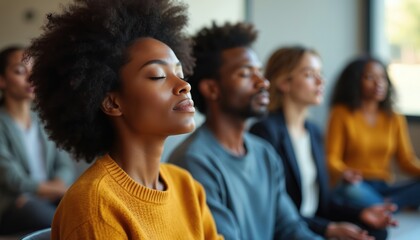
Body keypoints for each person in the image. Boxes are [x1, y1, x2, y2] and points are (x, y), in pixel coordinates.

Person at [26, 0, 222, 239]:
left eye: (180, 73)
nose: (184, 85)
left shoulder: (187, 187)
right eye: (157, 75)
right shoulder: (95, 206)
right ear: (112, 103)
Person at [169, 22, 322, 240]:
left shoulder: (264, 153)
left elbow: (291, 229)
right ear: (212, 89)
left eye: (259, 71)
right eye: (245, 74)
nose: (263, 82)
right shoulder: (194, 162)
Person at [250, 46, 398, 240]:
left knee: (377, 230)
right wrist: (328, 228)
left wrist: (360, 213)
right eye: (310, 74)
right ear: (284, 83)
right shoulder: (266, 131)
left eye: (320, 74)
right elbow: (275, 212)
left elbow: (323, 201)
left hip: (314, 221)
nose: (321, 81)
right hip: (290, 229)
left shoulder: (313, 131)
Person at [326, 55, 420, 210]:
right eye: (370, 77)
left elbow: (406, 160)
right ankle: (389, 206)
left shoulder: (394, 117)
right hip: (356, 184)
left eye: (382, 77)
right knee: (349, 191)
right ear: (355, 82)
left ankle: (384, 206)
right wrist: (344, 173)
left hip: (384, 185)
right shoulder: (341, 113)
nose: (379, 83)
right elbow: (331, 158)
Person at [0, 46, 74, 234]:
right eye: (19, 71)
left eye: (34, 71)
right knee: (65, 223)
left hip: (50, 196)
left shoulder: (43, 119)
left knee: (89, 208)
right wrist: (58, 191)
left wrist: (57, 186)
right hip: (15, 203)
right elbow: (13, 179)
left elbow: (64, 164)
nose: (31, 78)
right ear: (2, 80)